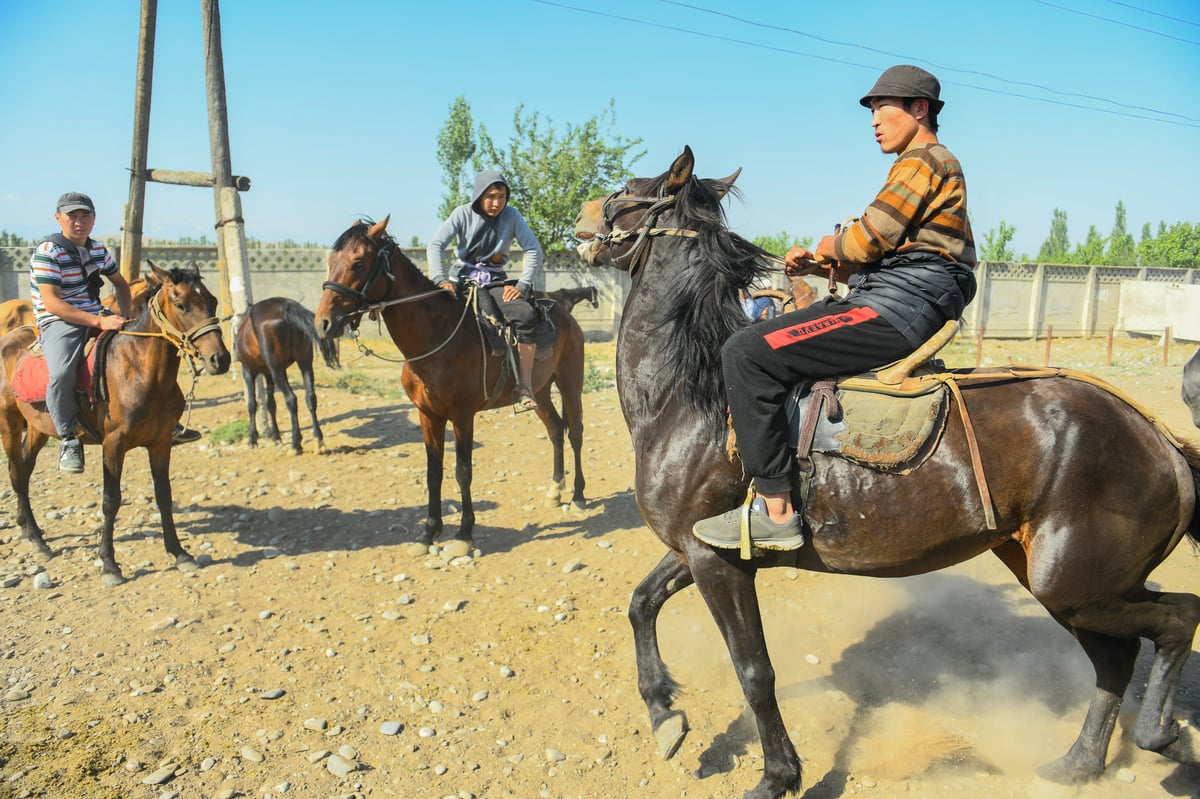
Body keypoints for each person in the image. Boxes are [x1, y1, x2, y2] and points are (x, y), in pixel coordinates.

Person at [693, 64, 977, 552]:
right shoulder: (925, 164)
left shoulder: (924, 160)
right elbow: (890, 252)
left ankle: (775, 511)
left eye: (882, 109)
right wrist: (822, 266)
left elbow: (871, 237)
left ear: (920, 109)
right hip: (897, 296)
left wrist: (827, 245)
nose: (873, 121)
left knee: (746, 351)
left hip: (897, 307)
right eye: (870, 112)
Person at [30, 192, 133, 473]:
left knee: (145, 348)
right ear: (58, 218)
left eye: (84, 215)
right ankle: (67, 438)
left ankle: (163, 419)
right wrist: (99, 323)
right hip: (58, 320)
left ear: (93, 218)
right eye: (71, 216)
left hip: (94, 313)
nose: (78, 222)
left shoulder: (98, 249)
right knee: (62, 373)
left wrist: (126, 316)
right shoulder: (48, 251)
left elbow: (121, 285)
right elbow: (52, 302)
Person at [427, 170, 546, 409]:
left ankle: (524, 385)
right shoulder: (462, 213)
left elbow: (533, 248)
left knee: (525, 314)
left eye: (502, 197)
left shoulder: (512, 216)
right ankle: (428, 380)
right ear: (479, 196)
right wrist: (440, 279)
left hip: (493, 282)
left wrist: (522, 285)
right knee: (430, 317)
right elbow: (436, 244)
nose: (496, 203)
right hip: (459, 281)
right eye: (491, 196)